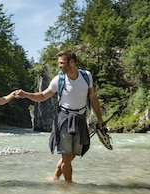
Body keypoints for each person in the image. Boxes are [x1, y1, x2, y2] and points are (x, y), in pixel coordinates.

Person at [15, 50, 105, 183]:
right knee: (66, 158)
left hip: (80, 119)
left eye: (62, 63)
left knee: (73, 153)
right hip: (64, 119)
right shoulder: (59, 79)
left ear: (72, 62)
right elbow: (43, 95)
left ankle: (56, 176)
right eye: (59, 63)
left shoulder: (87, 76)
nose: (59, 66)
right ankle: (69, 186)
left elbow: (93, 97)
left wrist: (100, 119)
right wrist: (26, 94)